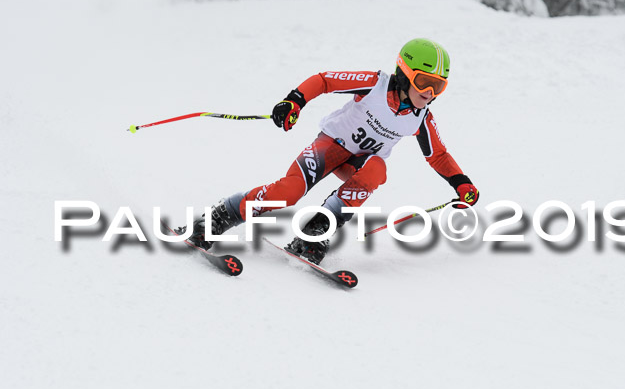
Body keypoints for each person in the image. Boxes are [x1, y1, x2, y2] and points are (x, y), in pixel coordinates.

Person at [180, 38, 479, 264]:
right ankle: (219, 217)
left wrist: (461, 182)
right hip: (331, 147)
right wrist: (294, 101)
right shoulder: (375, 84)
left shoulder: (421, 118)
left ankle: (316, 230)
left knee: (377, 169)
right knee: (290, 192)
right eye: (424, 82)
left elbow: (437, 155)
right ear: (403, 73)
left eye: (438, 87)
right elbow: (324, 81)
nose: (429, 94)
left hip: (358, 164)